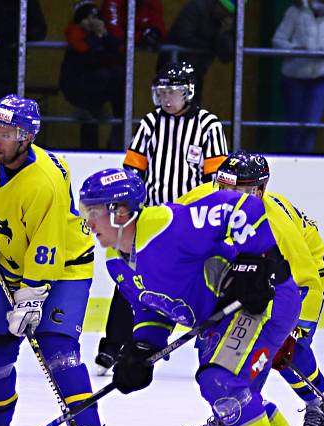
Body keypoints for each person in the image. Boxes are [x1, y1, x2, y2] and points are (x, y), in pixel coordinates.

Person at [78, 165, 324, 426]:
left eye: (93, 212)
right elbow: (152, 309)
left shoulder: (167, 224)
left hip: (264, 302)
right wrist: (141, 350)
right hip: (221, 316)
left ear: (121, 212)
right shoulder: (117, 263)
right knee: (233, 393)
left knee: (220, 383)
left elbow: (241, 207)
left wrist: (257, 261)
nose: (88, 222)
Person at [0, 94, 104, 426]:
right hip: (12, 262)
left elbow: (47, 242)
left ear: (27, 137)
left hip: (65, 267)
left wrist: (31, 297)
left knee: (57, 347)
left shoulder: (45, 183)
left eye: (6, 133)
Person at [175, 150, 324, 426]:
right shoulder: (203, 201)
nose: (226, 196)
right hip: (244, 272)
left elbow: (307, 279)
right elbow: (171, 226)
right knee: (215, 345)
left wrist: (297, 327)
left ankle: (316, 402)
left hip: (298, 276)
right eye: (222, 186)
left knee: (284, 349)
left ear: (259, 191)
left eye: (237, 191)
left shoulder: (275, 223)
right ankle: (230, 417)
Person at [94, 61, 228, 376]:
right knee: (130, 280)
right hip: (150, 220)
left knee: (200, 280)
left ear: (189, 92)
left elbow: (217, 182)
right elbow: (132, 171)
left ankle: (211, 348)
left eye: (174, 92)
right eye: (162, 91)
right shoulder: (151, 123)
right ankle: (113, 346)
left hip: (188, 223)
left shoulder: (209, 126)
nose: (167, 98)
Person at [272, 0, 324, 154]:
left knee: (311, 126)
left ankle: (304, 163)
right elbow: (278, 40)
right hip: (293, 77)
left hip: (319, 78)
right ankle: (290, 163)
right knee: (293, 128)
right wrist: (295, 49)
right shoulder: (296, 10)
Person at [59, 1, 125, 150]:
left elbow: (117, 49)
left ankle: (115, 144)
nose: (92, 22)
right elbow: (87, 52)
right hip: (77, 87)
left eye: (95, 18)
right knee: (90, 111)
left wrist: (103, 34)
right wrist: (98, 37)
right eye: (87, 18)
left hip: (99, 90)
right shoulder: (74, 32)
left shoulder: (102, 33)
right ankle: (89, 147)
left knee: (118, 75)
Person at [159, 0, 235, 105]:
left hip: (196, 72)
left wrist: (223, 34)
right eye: (223, 8)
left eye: (228, 11)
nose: (223, 13)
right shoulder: (197, 8)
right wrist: (212, 46)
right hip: (174, 68)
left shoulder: (226, 22)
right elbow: (183, 35)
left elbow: (226, 55)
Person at [101, 0, 166, 53]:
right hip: (113, 55)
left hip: (137, 53)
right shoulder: (113, 2)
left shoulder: (153, 3)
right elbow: (114, 34)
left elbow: (158, 31)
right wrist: (140, 37)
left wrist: (153, 34)